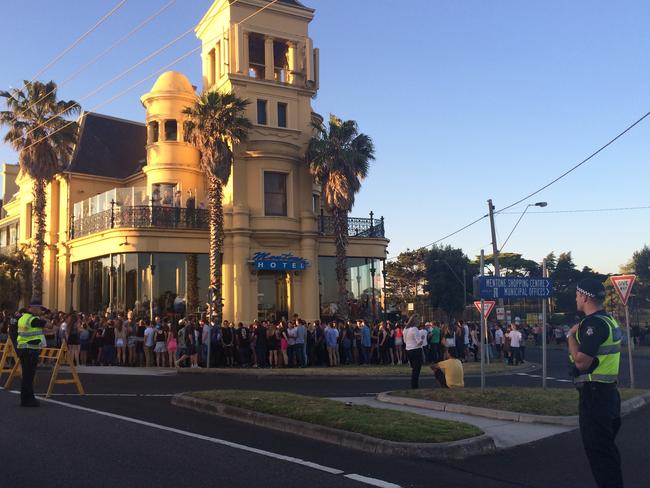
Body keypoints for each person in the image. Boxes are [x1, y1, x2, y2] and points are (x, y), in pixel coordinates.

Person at [568, 278, 623, 488]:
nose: (575, 299)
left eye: (576, 295)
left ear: (584, 296)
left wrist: (570, 336)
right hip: (609, 394)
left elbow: (582, 362)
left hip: (595, 396)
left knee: (600, 453)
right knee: (607, 450)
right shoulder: (610, 320)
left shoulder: (593, 324)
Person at [16, 302, 48, 407]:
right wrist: (44, 317)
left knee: (26, 376)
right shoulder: (33, 320)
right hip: (30, 350)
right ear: (33, 308)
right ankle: (30, 399)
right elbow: (49, 326)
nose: (40, 311)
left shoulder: (23, 318)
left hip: (23, 348)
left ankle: (24, 399)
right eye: (39, 309)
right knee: (29, 376)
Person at [404, 314, 424, 389]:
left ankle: (414, 385)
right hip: (416, 350)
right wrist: (422, 338)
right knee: (417, 369)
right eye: (419, 320)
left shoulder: (406, 329)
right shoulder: (415, 329)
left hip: (408, 350)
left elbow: (405, 341)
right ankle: (415, 386)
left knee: (414, 369)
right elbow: (419, 342)